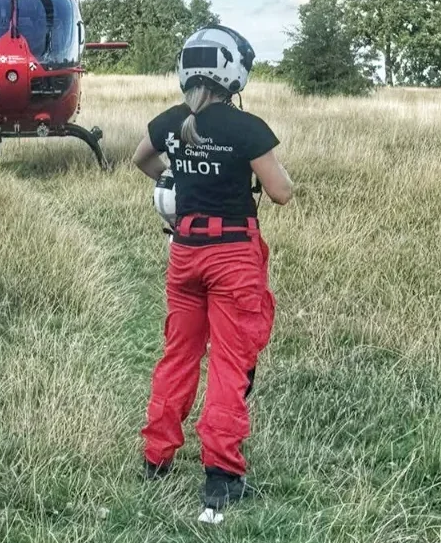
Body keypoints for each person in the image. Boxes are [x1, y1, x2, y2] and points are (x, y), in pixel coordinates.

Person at [131, 25, 293, 515]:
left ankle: (156, 457)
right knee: (230, 361)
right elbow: (282, 192)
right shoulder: (246, 128)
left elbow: (141, 160)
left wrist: (176, 176)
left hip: (185, 251)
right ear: (234, 72)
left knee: (178, 355)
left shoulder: (169, 121)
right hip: (233, 256)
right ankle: (221, 476)